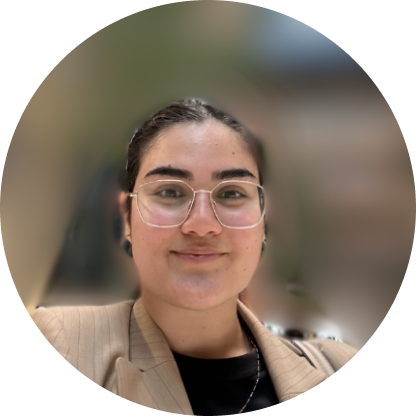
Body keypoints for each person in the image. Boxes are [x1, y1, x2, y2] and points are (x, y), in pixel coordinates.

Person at [31, 99, 358, 414]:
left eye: (231, 193)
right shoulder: (61, 342)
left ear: (262, 223)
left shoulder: (335, 364)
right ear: (126, 219)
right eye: (169, 192)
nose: (202, 225)